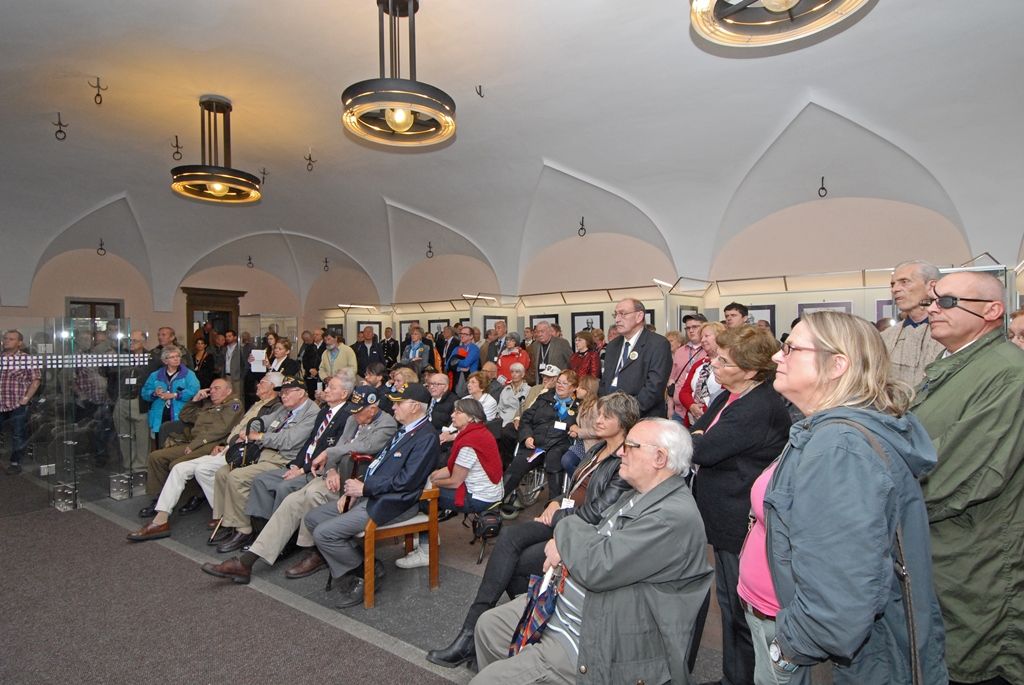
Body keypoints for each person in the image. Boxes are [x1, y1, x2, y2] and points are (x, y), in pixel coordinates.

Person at [737, 311, 947, 684]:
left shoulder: (839, 448)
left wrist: (789, 651)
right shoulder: (828, 431)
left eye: (791, 348)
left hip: (813, 654)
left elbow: (841, 595)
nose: (776, 356)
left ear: (837, 365)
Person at [471, 417, 713, 684]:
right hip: (570, 606)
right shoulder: (638, 493)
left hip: (594, 636)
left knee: (487, 681)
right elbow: (587, 528)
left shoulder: (671, 517)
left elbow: (596, 565)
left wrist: (562, 535)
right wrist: (570, 538)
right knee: (489, 627)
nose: (620, 452)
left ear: (659, 458)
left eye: (630, 446)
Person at [427, 392, 638, 669]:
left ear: (624, 422)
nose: (598, 420)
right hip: (564, 518)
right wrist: (554, 501)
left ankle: (503, 635)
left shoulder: (624, 462)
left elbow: (600, 512)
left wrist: (556, 513)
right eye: (599, 413)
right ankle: (474, 634)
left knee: (514, 564)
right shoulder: (599, 449)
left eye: (606, 416)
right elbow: (573, 490)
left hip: (581, 531)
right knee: (509, 538)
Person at [911, 271, 1024, 685]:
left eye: (947, 301)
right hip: (945, 554)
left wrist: (884, 497)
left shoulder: (1008, 373)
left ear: (992, 311)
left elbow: (962, 474)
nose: (933, 309)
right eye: (932, 300)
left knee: (977, 665)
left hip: (977, 559)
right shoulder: (961, 364)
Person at [200, 382, 397, 584]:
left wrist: (328, 454)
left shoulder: (387, 424)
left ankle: (315, 552)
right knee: (291, 502)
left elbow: (363, 446)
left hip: (356, 481)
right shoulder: (353, 419)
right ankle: (246, 562)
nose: (354, 415)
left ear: (372, 409)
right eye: (353, 411)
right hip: (334, 475)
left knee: (311, 495)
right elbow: (339, 449)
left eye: (358, 411)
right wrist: (331, 469)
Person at [688, 325, 791, 685]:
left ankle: (740, 678)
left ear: (749, 371)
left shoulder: (757, 406)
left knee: (740, 611)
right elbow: (698, 431)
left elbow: (702, 447)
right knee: (730, 604)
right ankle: (733, 676)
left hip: (739, 520)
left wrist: (698, 438)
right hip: (725, 515)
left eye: (723, 361)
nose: (714, 364)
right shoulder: (730, 395)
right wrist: (698, 437)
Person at [298, 383, 438, 608]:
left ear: (414, 406)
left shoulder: (426, 437)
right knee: (313, 518)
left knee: (325, 534)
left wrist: (364, 489)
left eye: (398, 403)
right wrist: (358, 488)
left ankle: (365, 576)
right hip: (374, 494)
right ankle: (367, 565)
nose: (393, 407)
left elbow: (406, 482)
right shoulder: (405, 430)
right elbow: (379, 465)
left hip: (394, 503)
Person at [208, 375, 321, 553]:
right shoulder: (285, 409)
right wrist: (249, 431)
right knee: (223, 472)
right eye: (282, 392)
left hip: (283, 459)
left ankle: (244, 529)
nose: (283, 396)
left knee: (237, 477)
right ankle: (230, 523)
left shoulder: (312, 412)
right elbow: (261, 421)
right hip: (264, 453)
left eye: (287, 392)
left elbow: (289, 440)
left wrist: (260, 436)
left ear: (301, 393)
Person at [397, 398, 504, 569]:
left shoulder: (469, 442)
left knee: (423, 497)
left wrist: (433, 482)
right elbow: (453, 467)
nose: (452, 415)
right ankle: (430, 534)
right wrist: (432, 476)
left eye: (458, 412)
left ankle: (426, 549)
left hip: (479, 497)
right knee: (427, 485)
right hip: (487, 491)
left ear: (471, 417)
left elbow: (455, 481)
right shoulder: (477, 433)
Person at [133, 378, 242, 523]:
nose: (212, 391)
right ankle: (159, 498)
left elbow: (220, 430)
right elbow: (184, 416)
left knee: (177, 465)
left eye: (217, 388)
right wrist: (194, 400)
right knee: (156, 457)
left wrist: (194, 445)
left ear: (228, 391)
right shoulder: (208, 405)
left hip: (211, 444)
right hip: (194, 442)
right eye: (211, 388)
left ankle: (195, 496)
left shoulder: (233, 405)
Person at [502, 369, 579, 511]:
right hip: (536, 444)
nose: (560, 385)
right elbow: (526, 419)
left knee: (554, 463)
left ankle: (552, 508)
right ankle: (496, 501)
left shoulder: (578, 406)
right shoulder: (544, 398)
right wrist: (527, 436)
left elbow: (580, 427)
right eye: (559, 382)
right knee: (517, 466)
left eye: (565, 383)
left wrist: (576, 429)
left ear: (573, 388)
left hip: (558, 444)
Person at [598, 298, 672, 418]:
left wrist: (625, 414)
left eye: (623, 314)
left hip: (642, 417)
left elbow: (654, 388)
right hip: (610, 415)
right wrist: (605, 409)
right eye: (616, 314)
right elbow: (605, 381)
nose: (617, 319)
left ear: (639, 316)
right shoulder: (612, 345)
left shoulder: (658, 344)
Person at [880, 260, 944, 387]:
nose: (895, 289)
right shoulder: (885, 337)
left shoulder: (952, 334)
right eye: (893, 284)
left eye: (904, 282)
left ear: (932, 286)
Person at [0, 330, 41, 475]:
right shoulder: (1, 358)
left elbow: (36, 380)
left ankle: (15, 462)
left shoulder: (26, 359)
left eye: (11, 339)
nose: (7, 341)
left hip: (17, 404)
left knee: (18, 434)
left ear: (19, 343)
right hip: (1, 402)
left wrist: (26, 399)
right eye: (5, 338)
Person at [140, 347, 200, 442]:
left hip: (180, 415)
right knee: (160, 444)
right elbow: (144, 392)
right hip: (159, 416)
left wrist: (175, 395)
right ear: (165, 361)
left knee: (178, 444)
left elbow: (194, 390)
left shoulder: (188, 374)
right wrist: (154, 393)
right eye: (172, 357)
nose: (176, 359)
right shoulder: (155, 375)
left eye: (178, 356)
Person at [678, 321, 726, 427]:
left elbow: (727, 395)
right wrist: (691, 406)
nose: (702, 340)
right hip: (692, 423)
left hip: (716, 421)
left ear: (719, 337)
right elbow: (684, 392)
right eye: (702, 337)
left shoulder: (727, 364)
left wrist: (704, 410)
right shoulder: (698, 364)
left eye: (706, 336)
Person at [447, 326, 481, 394]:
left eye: (465, 334)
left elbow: (466, 363)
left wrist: (455, 361)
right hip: (456, 380)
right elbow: (448, 365)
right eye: (461, 333)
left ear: (471, 336)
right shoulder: (457, 348)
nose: (462, 336)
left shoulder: (474, 349)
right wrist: (459, 368)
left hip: (469, 381)